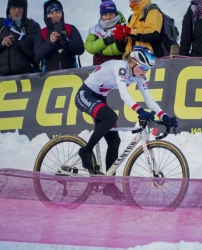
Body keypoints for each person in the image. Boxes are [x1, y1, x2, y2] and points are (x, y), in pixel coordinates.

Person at [75, 45, 177, 174]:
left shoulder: (139, 76)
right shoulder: (121, 67)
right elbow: (124, 95)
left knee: (114, 141)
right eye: (143, 67)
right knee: (111, 117)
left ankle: (109, 183)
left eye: (148, 69)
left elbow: (149, 100)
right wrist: (140, 111)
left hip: (100, 98)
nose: (145, 72)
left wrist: (164, 116)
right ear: (133, 62)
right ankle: (85, 151)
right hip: (85, 95)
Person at [34, 0, 84, 72]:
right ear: (46, 15)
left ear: (62, 14)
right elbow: (38, 54)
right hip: (49, 76)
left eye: (58, 12)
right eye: (51, 13)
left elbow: (80, 50)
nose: (55, 15)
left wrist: (67, 41)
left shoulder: (70, 28)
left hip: (72, 74)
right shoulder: (42, 32)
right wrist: (49, 42)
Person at [0, 0, 40, 76]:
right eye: (14, 7)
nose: (16, 10)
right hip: (2, 78)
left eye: (20, 7)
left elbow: (35, 53)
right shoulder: (1, 25)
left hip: (25, 76)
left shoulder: (32, 25)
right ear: (9, 9)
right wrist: (2, 43)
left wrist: (22, 38)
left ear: (24, 10)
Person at [84, 0, 126, 65]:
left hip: (120, 64)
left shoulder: (123, 27)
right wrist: (106, 41)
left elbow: (124, 48)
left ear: (116, 14)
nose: (108, 17)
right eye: (105, 14)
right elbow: (89, 47)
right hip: (99, 66)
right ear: (101, 15)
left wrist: (100, 50)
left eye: (111, 14)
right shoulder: (95, 29)